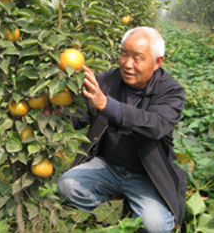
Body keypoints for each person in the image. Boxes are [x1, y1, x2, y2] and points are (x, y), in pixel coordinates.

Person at [58, 27, 187, 233]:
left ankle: (132, 211)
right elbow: (79, 117)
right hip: (107, 165)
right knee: (67, 185)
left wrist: (106, 104)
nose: (127, 64)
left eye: (137, 58)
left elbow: (155, 125)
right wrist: (58, 112)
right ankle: (113, 214)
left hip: (146, 174)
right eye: (124, 54)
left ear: (157, 62)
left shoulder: (171, 91)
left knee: (157, 226)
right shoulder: (106, 81)